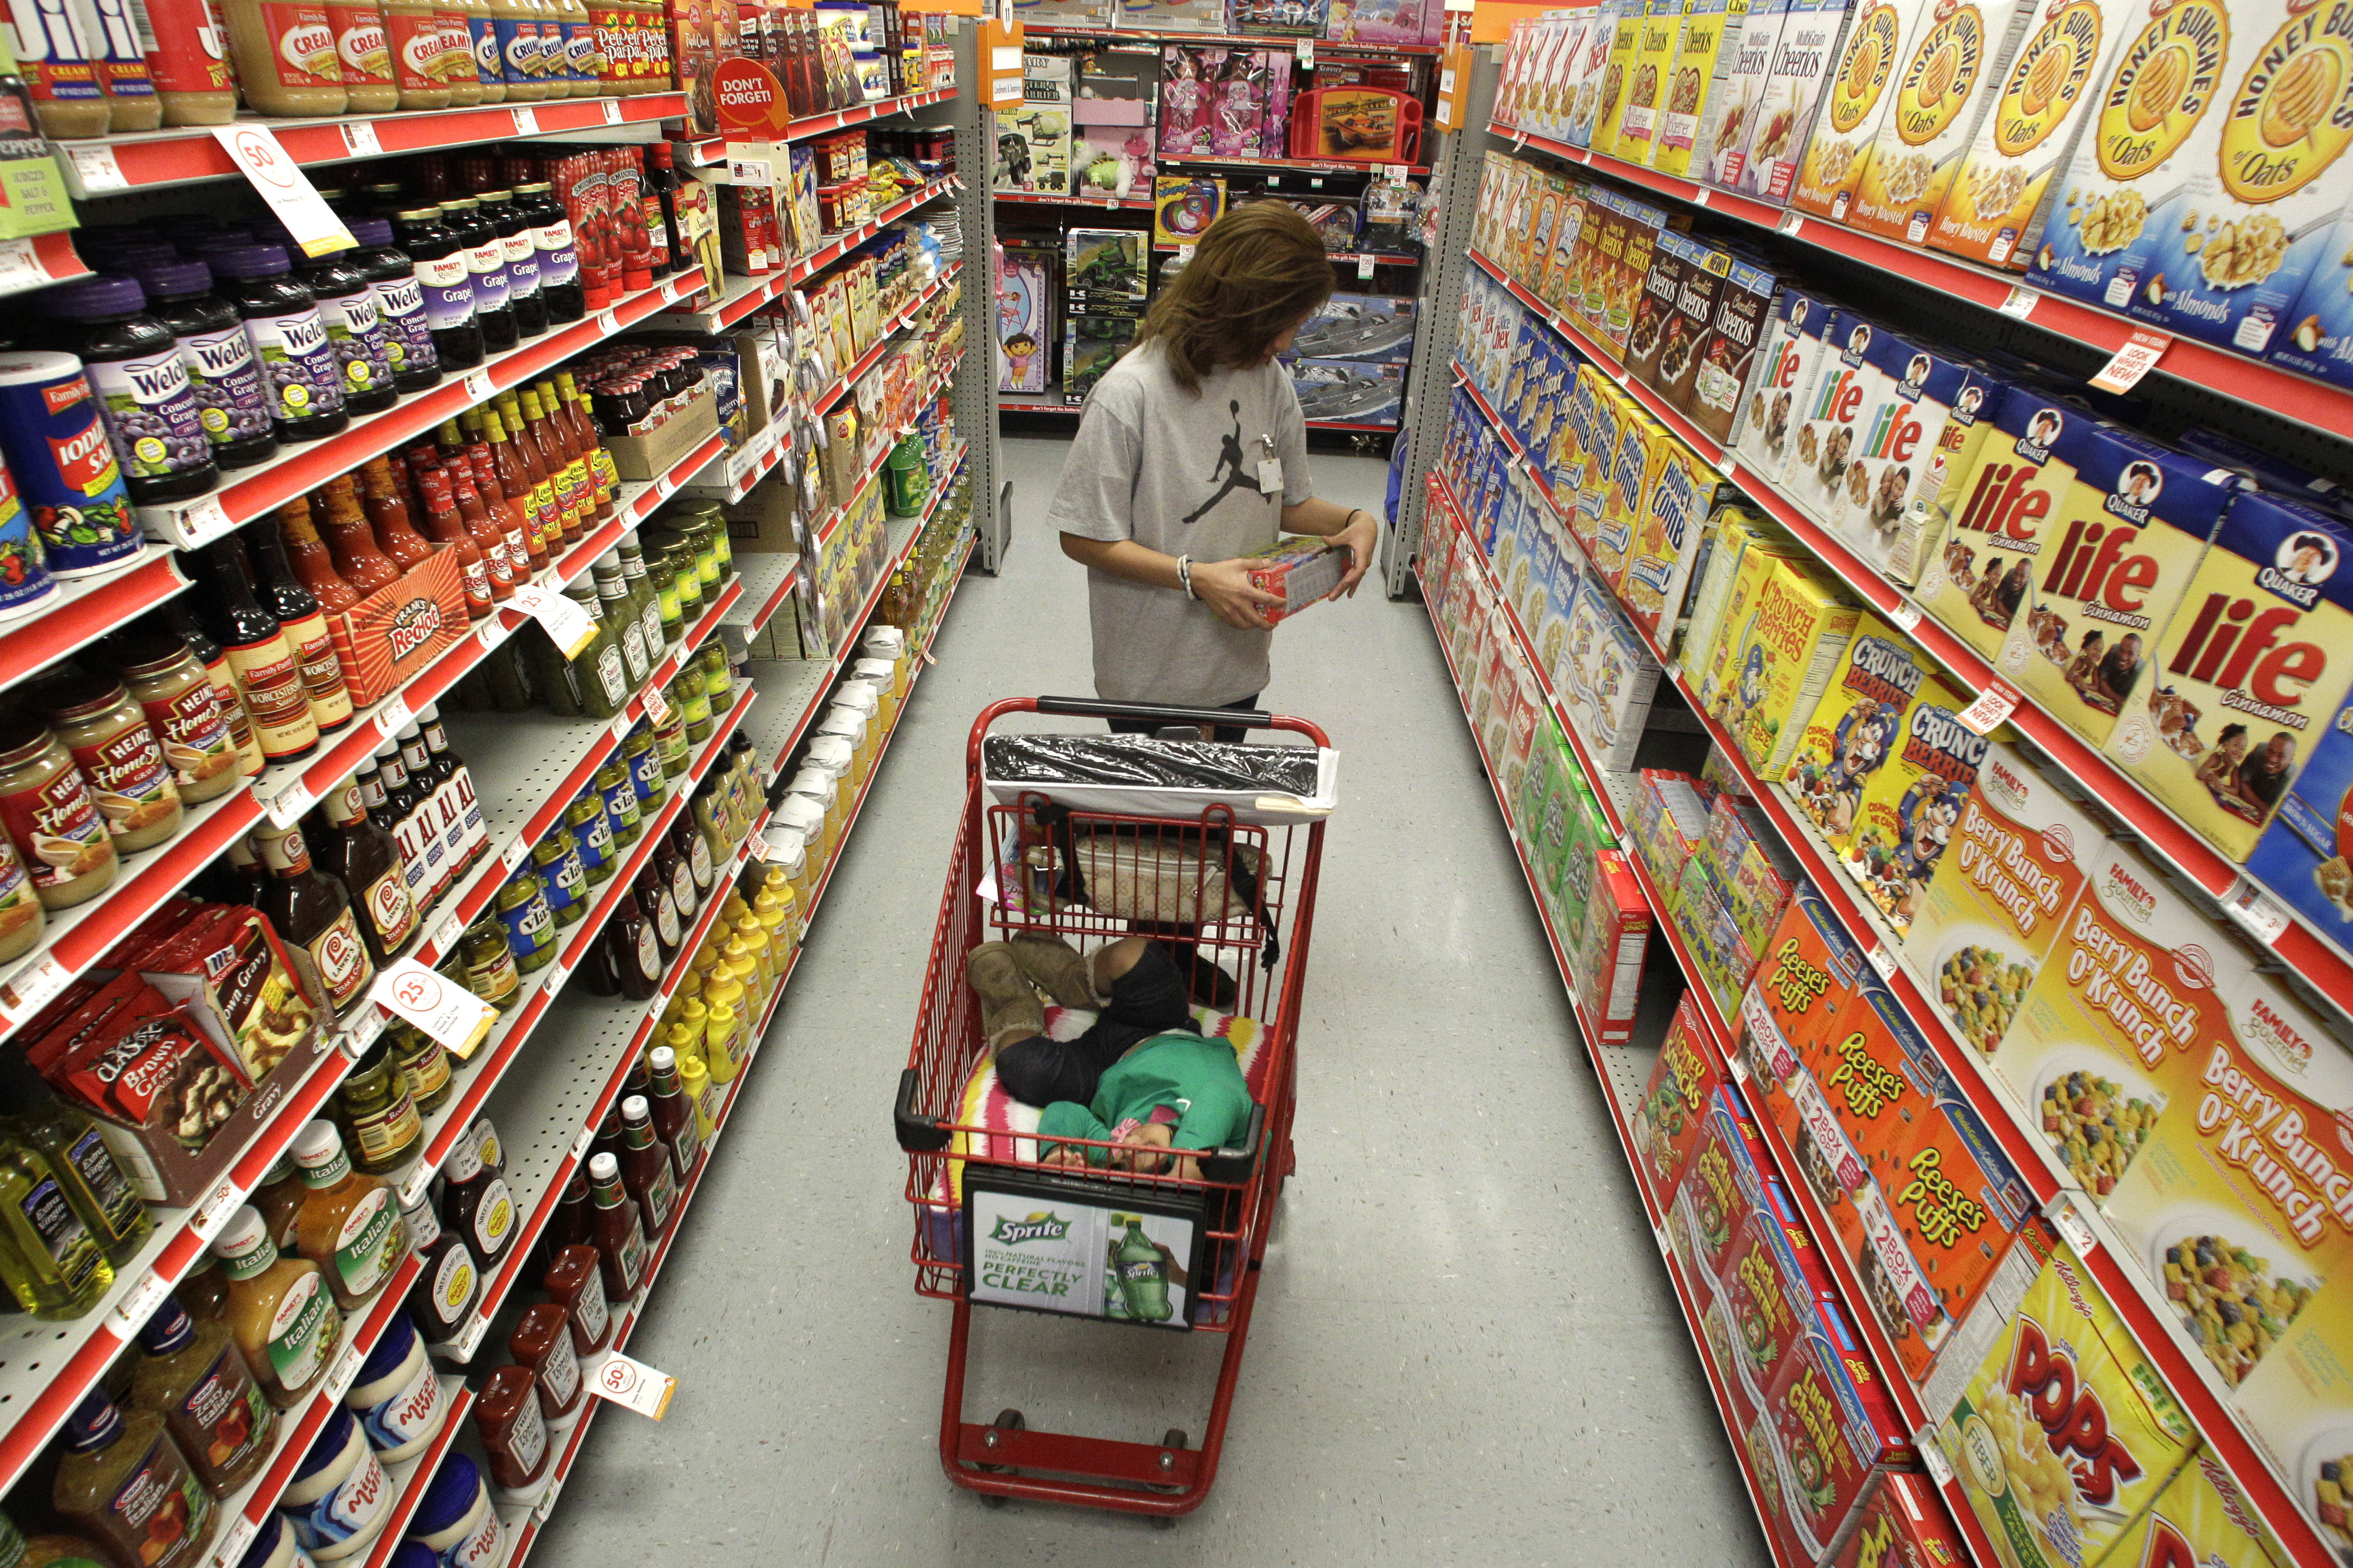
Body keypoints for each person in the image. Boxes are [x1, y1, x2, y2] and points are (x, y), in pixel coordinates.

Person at [1049, 202, 1381, 743]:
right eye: (1278, 326)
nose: (1284, 344)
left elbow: (1285, 501)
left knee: (1213, 818)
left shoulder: (1268, 381)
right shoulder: (1127, 395)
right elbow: (1083, 535)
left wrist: (1354, 519)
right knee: (1155, 824)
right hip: (1147, 675)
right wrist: (1196, 577)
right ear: (1232, 308)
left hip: (1236, 661)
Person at [965, 932, 1252, 1173]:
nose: (1133, 1145)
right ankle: (1070, 979)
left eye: (1128, 1157)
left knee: (1023, 1067)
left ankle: (1015, 1003)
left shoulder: (1119, 1147)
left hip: (1103, 1069)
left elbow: (1065, 1112)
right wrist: (1190, 1160)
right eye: (1147, 1149)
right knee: (1135, 955)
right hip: (1171, 1028)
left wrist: (1057, 1152)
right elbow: (1221, 1098)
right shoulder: (1220, 1150)